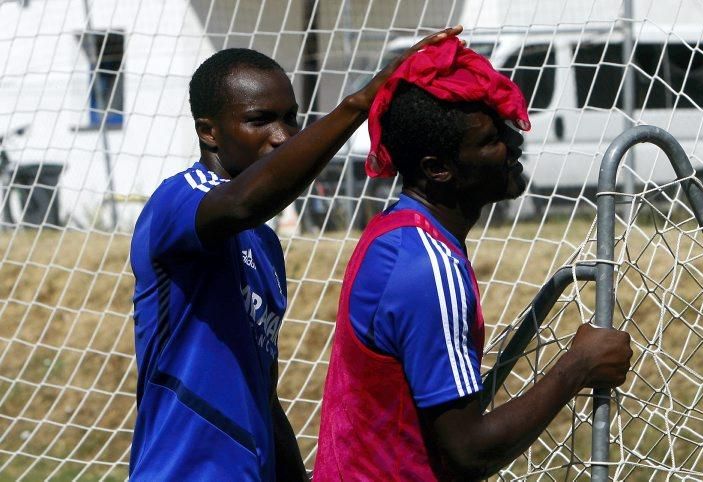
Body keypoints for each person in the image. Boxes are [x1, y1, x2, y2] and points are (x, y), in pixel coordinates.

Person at [128, 26, 463, 481]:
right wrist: (359, 104)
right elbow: (244, 202)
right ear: (209, 131)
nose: (283, 135)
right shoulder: (178, 200)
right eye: (260, 119)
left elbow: (263, 394)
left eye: (291, 118)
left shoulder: (264, 246)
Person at [314, 37, 633, 481]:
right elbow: (469, 450)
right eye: (490, 139)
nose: (512, 143)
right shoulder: (426, 266)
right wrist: (578, 365)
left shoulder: (396, 232)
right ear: (437, 168)